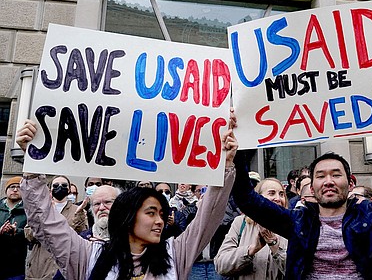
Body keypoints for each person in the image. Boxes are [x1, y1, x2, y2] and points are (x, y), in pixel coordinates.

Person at [15, 117, 237, 280]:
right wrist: (33, 166)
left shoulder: (175, 253)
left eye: (161, 214)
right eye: (151, 213)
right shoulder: (86, 254)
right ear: (127, 217)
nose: (160, 221)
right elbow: (46, 222)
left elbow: (208, 217)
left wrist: (225, 166)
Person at [231, 114, 372, 280]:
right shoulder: (298, 222)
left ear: (350, 184)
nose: (328, 181)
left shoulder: (370, 216)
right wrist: (239, 142)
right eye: (321, 176)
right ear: (311, 188)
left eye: (336, 175)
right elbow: (246, 198)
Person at [215, 178, 288, 280]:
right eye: (271, 193)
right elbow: (221, 265)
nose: (278, 198)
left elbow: (300, 271)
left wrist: (275, 246)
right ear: (258, 198)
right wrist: (250, 250)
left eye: (281, 194)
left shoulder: (292, 228)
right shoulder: (241, 223)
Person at [24, 174, 88, 280]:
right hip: (40, 266)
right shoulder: (40, 208)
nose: (60, 187)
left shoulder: (78, 210)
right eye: (56, 185)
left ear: (69, 189)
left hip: (66, 267)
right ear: (50, 189)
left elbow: (82, 237)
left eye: (64, 185)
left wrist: (79, 217)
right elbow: (29, 235)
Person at [1, 176, 28, 280]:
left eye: (19, 187)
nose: (15, 189)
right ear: (6, 190)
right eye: (12, 187)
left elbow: (33, 233)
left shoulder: (29, 211)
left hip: (17, 266)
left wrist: (17, 231)